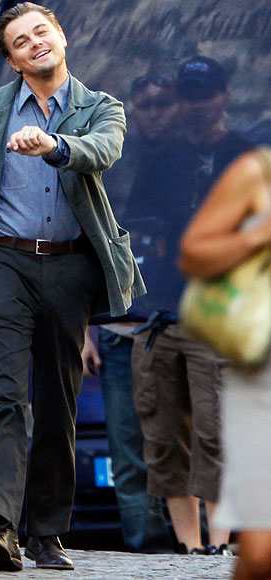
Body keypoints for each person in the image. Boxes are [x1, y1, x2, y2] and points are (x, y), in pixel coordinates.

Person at [0, 2, 145, 572]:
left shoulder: (100, 107)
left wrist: (55, 146)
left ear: (59, 38)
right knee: (5, 395)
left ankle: (47, 533)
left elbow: (103, 150)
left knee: (58, 402)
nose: (35, 42)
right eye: (21, 40)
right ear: (12, 61)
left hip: (70, 269)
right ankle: (1, 526)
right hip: (2, 265)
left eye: (42, 31)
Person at [127, 56, 251, 555]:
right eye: (189, 95)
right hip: (160, 314)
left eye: (205, 94)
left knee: (217, 430)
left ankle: (219, 543)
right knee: (162, 432)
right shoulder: (162, 159)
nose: (197, 105)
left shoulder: (246, 155)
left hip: (222, 316)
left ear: (224, 97)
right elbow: (134, 227)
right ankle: (189, 547)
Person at [81, 75, 180, 553]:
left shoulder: (191, 160)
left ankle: (197, 544)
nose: (154, 113)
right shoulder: (116, 162)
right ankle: (146, 545)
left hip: (178, 327)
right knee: (126, 445)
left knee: (183, 440)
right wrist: (86, 328)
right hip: (118, 328)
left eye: (162, 103)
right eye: (145, 105)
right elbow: (86, 245)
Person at [180, 148, 271, 579]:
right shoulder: (258, 172)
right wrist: (258, 235)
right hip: (261, 370)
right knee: (261, 551)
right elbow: (192, 254)